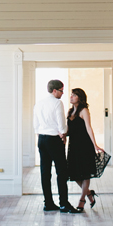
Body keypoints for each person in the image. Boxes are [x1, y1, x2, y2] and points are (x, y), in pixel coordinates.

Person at [32, 79, 80, 213]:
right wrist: (63, 134)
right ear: (54, 91)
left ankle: (48, 203)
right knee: (61, 172)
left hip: (41, 139)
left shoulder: (39, 103)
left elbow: (35, 124)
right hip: (54, 140)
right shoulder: (57, 103)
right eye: (61, 91)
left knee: (45, 172)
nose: (63, 93)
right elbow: (61, 124)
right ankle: (64, 203)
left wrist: (41, 135)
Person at [66, 87, 103, 211]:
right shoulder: (70, 112)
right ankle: (88, 193)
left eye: (74, 95)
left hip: (84, 146)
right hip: (73, 146)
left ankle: (82, 200)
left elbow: (89, 128)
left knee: (85, 173)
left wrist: (95, 145)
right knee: (74, 174)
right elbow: (68, 131)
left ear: (80, 98)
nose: (71, 97)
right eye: (71, 95)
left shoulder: (84, 110)